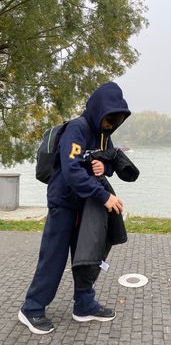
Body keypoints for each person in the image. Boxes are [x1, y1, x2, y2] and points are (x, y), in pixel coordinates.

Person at [18, 82, 131, 335]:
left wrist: (105, 168)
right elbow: (71, 171)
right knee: (54, 257)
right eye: (109, 119)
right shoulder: (77, 129)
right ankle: (32, 308)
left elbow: (108, 159)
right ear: (100, 111)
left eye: (116, 121)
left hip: (86, 205)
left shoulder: (104, 134)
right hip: (63, 203)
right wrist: (103, 196)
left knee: (86, 255)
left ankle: (84, 304)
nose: (111, 125)